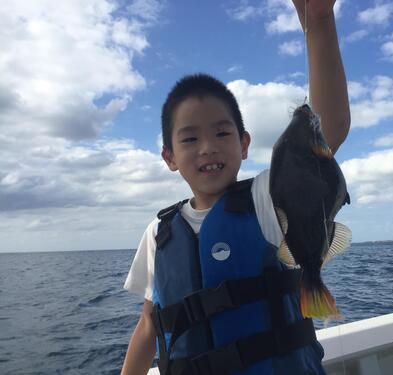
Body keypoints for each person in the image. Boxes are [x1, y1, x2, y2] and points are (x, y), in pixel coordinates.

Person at [121, 0, 350, 374]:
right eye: (190, 139)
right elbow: (150, 323)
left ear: (244, 145)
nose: (208, 147)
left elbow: (330, 129)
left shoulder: (264, 202)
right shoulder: (159, 234)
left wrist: (320, 21)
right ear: (169, 157)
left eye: (222, 133)